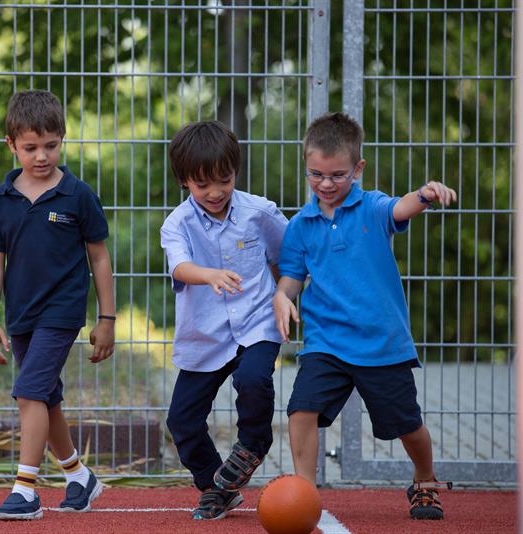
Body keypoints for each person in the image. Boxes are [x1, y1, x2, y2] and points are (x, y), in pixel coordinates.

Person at [274, 111, 457, 520]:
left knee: (408, 425)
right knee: (300, 410)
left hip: (381, 342)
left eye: (337, 175)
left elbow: (402, 209)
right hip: (327, 343)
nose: (325, 184)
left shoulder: (372, 207)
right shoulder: (300, 225)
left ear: (358, 168)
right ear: (306, 166)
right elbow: (290, 278)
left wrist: (425, 194)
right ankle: (304, 490)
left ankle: (425, 478)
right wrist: (282, 298)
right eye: (315, 174)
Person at [0, 90, 115, 520]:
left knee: (28, 392)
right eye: (30, 147)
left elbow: (99, 257)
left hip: (61, 314)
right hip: (20, 315)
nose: (42, 156)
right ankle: (78, 477)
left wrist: (106, 318)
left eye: (51, 145)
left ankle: (25, 489)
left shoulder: (77, 195)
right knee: (46, 398)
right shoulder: (1, 200)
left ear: (62, 139)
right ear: (11, 145)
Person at [160, 120, 289, 521]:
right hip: (206, 334)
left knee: (252, 379)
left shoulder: (260, 213)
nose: (215, 192)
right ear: (184, 181)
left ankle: (253, 442)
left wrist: (284, 294)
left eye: (224, 180)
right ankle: (218, 485)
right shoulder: (176, 224)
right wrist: (209, 274)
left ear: (235, 172)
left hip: (256, 323)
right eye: (203, 185)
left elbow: (290, 259)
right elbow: (180, 266)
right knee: (181, 420)